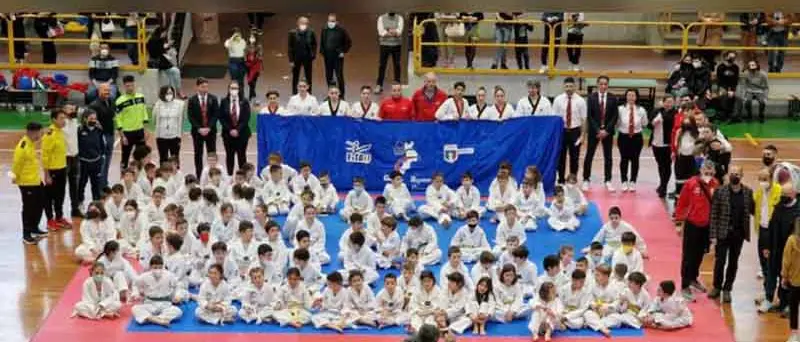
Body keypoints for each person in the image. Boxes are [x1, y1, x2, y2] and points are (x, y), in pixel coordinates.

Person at [707, 165, 754, 303]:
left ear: (742, 175)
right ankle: (716, 287)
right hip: (723, 233)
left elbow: (751, 210)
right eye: (732, 173)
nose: (735, 176)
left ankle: (727, 288)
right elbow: (714, 214)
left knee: (733, 262)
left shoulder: (748, 192)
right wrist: (713, 235)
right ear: (729, 175)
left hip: (738, 234)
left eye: (737, 174)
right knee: (720, 261)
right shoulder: (720, 191)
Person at [675, 161, 720, 301]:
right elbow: (682, 202)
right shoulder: (691, 183)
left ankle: (693, 278)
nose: (708, 172)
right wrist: (679, 222)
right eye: (705, 169)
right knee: (688, 256)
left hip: (707, 226)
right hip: (692, 225)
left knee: (700, 254)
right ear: (700, 170)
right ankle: (685, 285)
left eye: (710, 170)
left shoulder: (716, 184)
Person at [761, 183, 799, 314]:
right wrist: (766, 246)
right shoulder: (778, 208)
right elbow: (770, 229)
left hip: (791, 252)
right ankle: (768, 299)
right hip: (775, 250)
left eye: (786, 194)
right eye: (782, 194)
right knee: (771, 275)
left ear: (793, 194)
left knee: (788, 278)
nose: (783, 197)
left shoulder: (798, 211)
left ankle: (787, 304)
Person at [13, 122, 49, 244]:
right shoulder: (22, 146)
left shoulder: (30, 144)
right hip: (26, 183)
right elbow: (17, 165)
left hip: (36, 181)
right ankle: (26, 234)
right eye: (39, 132)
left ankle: (34, 228)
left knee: (40, 204)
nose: (40, 135)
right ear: (32, 132)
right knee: (29, 208)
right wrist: (15, 177)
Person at [583, 75, 619, 191]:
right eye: (601, 83)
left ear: (608, 85)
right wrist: (598, 130)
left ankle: (608, 180)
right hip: (595, 131)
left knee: (608, 156)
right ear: (597, 84)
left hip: (608, 132)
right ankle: (586, 179)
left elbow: (615, 116)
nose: (603, 86)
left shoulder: (613, 98)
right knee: (589, 155)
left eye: (605, 84)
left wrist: (606, 130)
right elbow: (589, 116)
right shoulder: (591, 97)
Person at [552, 77, 586, 184]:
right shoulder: (558, 100)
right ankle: (561, 180)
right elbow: (555, 119)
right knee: (561, 157)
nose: (568, 88)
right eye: (566, 86)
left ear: (574, 87)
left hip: (575, 132)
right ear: (563, 87)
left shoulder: (581, 101)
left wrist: (582, 136)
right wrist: (555, 135)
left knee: (574, 158)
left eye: (571, 86)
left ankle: (572, 180)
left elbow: (584, 119)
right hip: (562, 131)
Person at [42, 109, 70, 231]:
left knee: (60, 195)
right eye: (61, 118)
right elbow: (45, 155)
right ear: (54, 120)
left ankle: (59, 217)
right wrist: (47, 174)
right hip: (52, 171)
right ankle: (50, 220)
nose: (64, 120)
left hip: (62, 168)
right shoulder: (49, 134)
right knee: (50, 197)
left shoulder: (60, 132)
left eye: (64, 118)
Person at [616, 89, 648, 192]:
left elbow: (644, 124)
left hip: (636, 137)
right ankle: (624, 181)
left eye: (633, 95)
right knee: (624, 159)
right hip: (623, 137)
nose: (631, 98)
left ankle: (633, 181)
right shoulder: (620, 109)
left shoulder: (641, 110)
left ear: (636, 97)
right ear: (626, 97)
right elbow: (616, 123)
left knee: (635, 160)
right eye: (629, 95)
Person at [115, 75, 149, 171]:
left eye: (131, 85)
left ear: (135, 85)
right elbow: (118, 119)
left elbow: (144, 113)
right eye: (127, 86)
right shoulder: (120, 101)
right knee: (125, 157)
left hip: (139, 132)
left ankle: (140, 175)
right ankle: (123, 176)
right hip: (127, 133)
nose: (130, 88)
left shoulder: (141, 97)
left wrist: (145, 130)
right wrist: (122, 136)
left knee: (141, 156)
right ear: (124, 86)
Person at [187, 78, 219, 178]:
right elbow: (190, 116)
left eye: (206, 86)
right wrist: (199, 128)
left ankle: (213, 174)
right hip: (197, 132)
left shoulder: (213, 98)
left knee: (212, 154)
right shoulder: (192, 100)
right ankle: (199, 176)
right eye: (203, 87)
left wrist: (209, 127)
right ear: (197, 87)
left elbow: (215, 114)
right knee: (198, 154)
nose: (205, 89)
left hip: (211, 132)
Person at [754, 168, 781, 284]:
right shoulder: (759, 192)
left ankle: (774, 280)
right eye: (760, 179)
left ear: (771, 178)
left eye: (764, 179)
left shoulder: (779, 190)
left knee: (773, 256)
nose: (762, 182)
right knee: (762, 255)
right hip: (762, 228)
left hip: (774, 230)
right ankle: (766, 278)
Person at [219, 81, 251, 175]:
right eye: (232, 88)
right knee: (229, 157)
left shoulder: (244, 101)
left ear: (239, 89)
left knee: (242, 157)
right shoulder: (224, 101)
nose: (234, 90)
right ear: (229, 89)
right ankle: (229, 176)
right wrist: (230, 130)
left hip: (242, 134)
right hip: (228, 135)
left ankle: (243, 177)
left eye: (235, 88)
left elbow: (246, 117)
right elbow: (221, 117)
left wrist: (238, 130)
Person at [77, 111, 107, 205]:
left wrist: (101, 156)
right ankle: (80, 202)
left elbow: (103, 144)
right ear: (85, 119)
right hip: (83, 163)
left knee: (96, 184)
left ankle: (96, 203)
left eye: (95, 118)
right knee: (81, 183)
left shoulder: (99, 130)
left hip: (96, 162)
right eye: (91, 119)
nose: (93, 121)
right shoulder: (79, 130)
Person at [88, 84, 116, 186]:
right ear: (99, 91)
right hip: (100, 137)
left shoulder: (111, 102)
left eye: (108, 90)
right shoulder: (93, 105)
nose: (107, 92)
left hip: (110, 135)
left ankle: (104, 182)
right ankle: (99, 184)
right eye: (105, 90)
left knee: (108, 160)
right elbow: (91, 122)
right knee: (101, 161)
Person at [320, 13, 351, 98]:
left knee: (339, 76)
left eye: (333, 21)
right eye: (330, 21)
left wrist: (343, 51)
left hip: (338, 56)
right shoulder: (325, 29)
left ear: (336, 21)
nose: (331, 22)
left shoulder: (341, 30)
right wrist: (322, 52)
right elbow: (322, 41)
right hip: (327, 56)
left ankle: (341, 95)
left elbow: (348, 42)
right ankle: (330, 94)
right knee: (328, 76)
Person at [152, 86, 185, 164]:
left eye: (171, 93)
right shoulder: (158, 105)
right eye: (167, 93)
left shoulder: (180, 104)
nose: (169, 95)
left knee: (175, 158)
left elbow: (182, 120)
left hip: (175, 137)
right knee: (163, 158)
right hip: (161, 137)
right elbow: (154, 120)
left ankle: (175, 175)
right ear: (162, 94)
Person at [781, 219, 800, 341]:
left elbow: (786, 261)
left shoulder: (791, 240)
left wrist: (784, 276)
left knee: (793, 307)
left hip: (795, 281)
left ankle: (794, 334)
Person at [147, 26, 181, 95]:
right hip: (158, 62)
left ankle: (174, 91)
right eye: (165, 32)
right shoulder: (156, 40)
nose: (165, 34)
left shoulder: (155, 40)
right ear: (161, 32)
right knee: (175, 72)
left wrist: (166, 47)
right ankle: (177, 91)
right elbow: (159, 52)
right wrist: (167, 47)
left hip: (158, 61)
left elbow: (160, 50)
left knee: (172, 74)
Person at [375, 12, 404, 93]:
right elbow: (381, 33)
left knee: (397, 65)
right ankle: (379, 85)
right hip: (384, 45)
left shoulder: (400, 18)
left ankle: (397, 86)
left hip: (397, 45)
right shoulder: (381, 18)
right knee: (382, 65)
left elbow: (399, 32)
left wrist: (387, 30)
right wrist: (393, 32)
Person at [289, 16, 317, 94]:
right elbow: (290, 47)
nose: (303, 24)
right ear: (298, 23)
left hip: (307, 58)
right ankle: (294, 93)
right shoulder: (292, 33)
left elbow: (314, 44)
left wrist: (313, 55)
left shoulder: (311, 32)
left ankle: (309, 93)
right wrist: (291, 60)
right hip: (296, 58)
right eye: (302, 23)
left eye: (305, 23)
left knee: (308, 77)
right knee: (295, 77)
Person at [61, 104, 81, 218]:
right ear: (63, 111)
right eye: (70, 109)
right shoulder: (61, 125)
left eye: (74, 108)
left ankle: (75, 209)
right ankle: (59, 214)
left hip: (75, 157)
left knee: (75, 185)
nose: (73, 111)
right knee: (61, 186)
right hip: (65, 158)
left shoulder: (74, 121)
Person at [224, 27, 247, 98]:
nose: (238, 36)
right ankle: (231, 95)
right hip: (233, 61)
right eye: (236, 34)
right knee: (234, 80)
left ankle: (241, 96)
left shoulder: (242, 41)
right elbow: (227, 46)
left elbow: (244, 48)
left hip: (241, 61)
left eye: (239, 34)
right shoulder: (228, 41)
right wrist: (232, 38)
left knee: (241, 80)